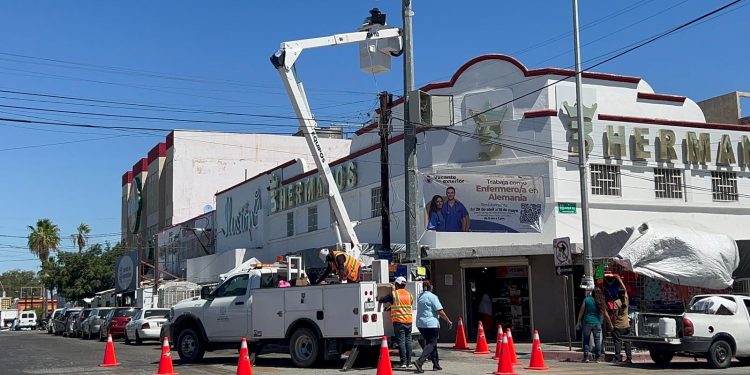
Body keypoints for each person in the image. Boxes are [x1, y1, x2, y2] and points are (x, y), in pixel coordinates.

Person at [413, 280, 452, 373]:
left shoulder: (420, 297)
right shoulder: (432, 297)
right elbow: (440, 311)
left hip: (420, 324)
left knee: (431, 343)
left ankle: (436, 364)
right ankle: (420, 361)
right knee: (432, 343)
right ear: (430, 287)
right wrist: (448, 320)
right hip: (431, 324)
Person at [378, 276, 414, 368]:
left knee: (401, 342)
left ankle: (403, 362)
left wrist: (378, 298)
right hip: (409, 321)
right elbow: (408, 304)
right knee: (409, 342)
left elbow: (382, 300)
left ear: (397, 284)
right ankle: (409, 362)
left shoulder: (394, 294)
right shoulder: (409, 294)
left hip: (399, 322)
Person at [576, 288, 613, 363]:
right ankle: (598, 358)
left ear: (592, 293)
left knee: (586, 340)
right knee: (597, 341)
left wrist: (578, 321)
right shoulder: (601, 301)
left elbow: (581, 311)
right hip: (597, 323)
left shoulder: (586, 299)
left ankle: (586, 357)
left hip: (587, 322)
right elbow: (606, 314)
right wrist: (610, 324)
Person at [611, 276, 632, 363]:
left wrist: (612, 324)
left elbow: (615, 315)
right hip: (626, 325)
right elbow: (625, 289)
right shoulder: (626, 300)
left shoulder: (616, 302)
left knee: (618, 342)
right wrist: (619, 280)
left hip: (618, 326)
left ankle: (617, 358)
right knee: (627, 342)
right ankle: (629, 358)